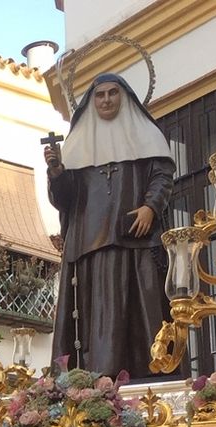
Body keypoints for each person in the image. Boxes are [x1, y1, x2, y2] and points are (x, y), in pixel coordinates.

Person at [45, 74, 175, 376]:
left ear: (124, 97)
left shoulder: (146, 137)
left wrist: (150, 206)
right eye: (100, 95)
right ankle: (95, 381)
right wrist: (57, 172)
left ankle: (141, 376)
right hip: (89, 246)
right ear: (92, 102)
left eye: (112, 93)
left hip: (134, 241)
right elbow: (64, 200)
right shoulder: (78, 144)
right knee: (94, 319)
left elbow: (161, 174)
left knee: (140, 314)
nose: (106, 100)